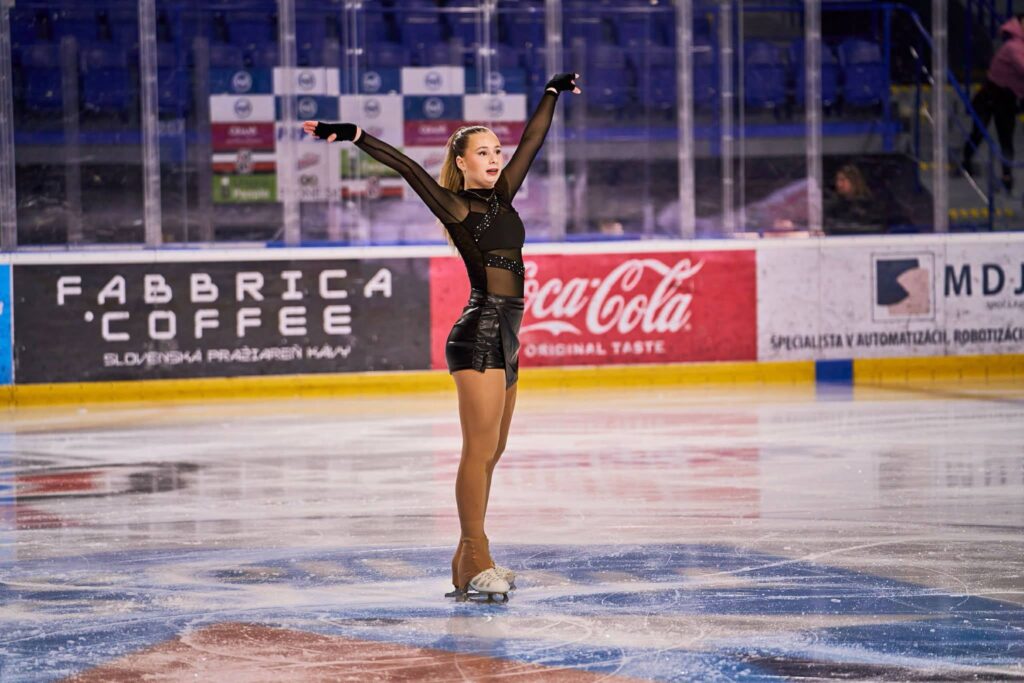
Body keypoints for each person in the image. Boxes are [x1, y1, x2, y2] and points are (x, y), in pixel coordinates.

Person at [303, 72, 581, 602]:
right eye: (483, 153)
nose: (495, 158)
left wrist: (551, 90)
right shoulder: (458, 208)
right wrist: (354, 134)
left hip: (508, 338)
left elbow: (532, 140)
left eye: (496, 151)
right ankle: (477, 555)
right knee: (478, 450)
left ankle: (467, 561)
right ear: (461, 162)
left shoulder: (504, 197)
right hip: (478, 335)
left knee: (494, 450)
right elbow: (407, 168)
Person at [961, 15, 1024, 192]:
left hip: (1007, 98)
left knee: (1005, 138)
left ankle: (1007, 176)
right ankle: (966, 161)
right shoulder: (1012, 47)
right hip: (991, 94)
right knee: (979, 131)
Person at [822, 163, 886, 234]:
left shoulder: (870, 204)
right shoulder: (834, 205)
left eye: (842, 180)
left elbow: (876, 226)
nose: (838, 184)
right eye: (837, 180)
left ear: (854, 181)